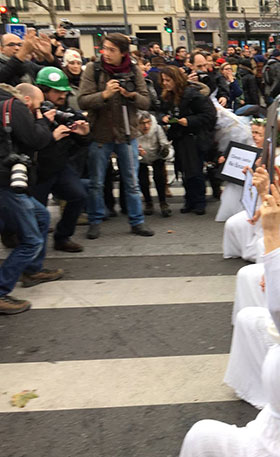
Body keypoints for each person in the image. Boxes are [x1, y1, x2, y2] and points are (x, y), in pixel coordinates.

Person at [181, 177, 280, 457]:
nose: (264, 283)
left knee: (201, 435)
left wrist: (269, 233)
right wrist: (277, 207)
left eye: (278, 281)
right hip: (271, 428)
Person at [78, 32, 154, 239]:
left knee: (131, 182)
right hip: (100, 135)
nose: (107, 53)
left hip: (127, 134)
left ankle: (137, 221)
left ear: (122, 53)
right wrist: (104, 95)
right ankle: (95, 220)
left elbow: (146, 102)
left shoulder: (133, 70)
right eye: (105, 48)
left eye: (112, 50)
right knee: (97, 182)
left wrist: (131, 95)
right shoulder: (93, 69)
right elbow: (82, 100)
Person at [0, 83, 61, 314]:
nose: (38, 108)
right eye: (37, 104)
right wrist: (43, 120)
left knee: (42, 216)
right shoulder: (14, 106)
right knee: (32, 240)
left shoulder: (5, 105)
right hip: (6, 182)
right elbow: (34, 140)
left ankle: (33, 270)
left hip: (7, 180)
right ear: (27, 99)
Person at [31, 68, 91, 253]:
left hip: (59, 166)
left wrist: (83, 134)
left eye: (64, 91)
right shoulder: (29, 114)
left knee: (78, 195)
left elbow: (80, 143)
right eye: (57, 91)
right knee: (35, 212)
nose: (62, 95)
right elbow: (29, 143)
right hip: (37, 171)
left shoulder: (66, 112)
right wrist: (50, 135)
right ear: (43, 91)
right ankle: (29, 247)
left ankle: (62, 237)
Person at [158, 65, 217, 215]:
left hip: (193, 137)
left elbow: (209, 115)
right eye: (163, 80)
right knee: (184, 170)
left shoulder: (192, 95)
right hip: (180, 137)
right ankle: (190, 200)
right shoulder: (169, 95)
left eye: (168, 80)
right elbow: (160, 111)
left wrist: (189, 121)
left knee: (195, 171)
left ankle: (199, 201)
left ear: (176, 80)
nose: (165, 83)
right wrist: (164, 118)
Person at [136, 111, 173, 217]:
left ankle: (163, 203)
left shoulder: (156, 128)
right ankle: (148, 203)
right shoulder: (133, 129)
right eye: (142, 123)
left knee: (159, 177)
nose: (146, 126)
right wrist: (136, 150)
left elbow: (164, 143)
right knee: (143, 181)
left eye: (148, 122)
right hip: (141, 157)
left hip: (156, 155)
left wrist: (165, 150)